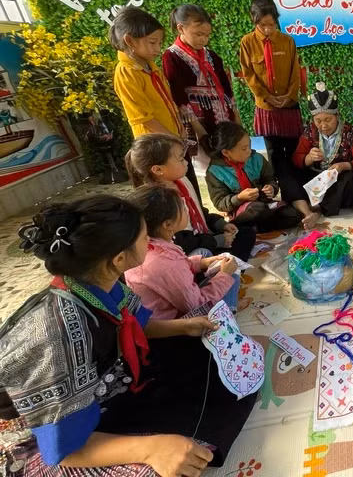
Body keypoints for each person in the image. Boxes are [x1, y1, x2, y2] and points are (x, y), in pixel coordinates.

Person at [0, 196, 255, 476]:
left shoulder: (99, 282)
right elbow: (63, 448)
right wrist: (150, 449)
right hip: (49, 432)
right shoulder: (57, 333)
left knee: (218, 364)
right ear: (120, 258)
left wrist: (185, 327)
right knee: (156, 467)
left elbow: (134, 324)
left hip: (101, 387)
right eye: (145, 238)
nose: (151, 243)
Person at [110, 7, 202, 204]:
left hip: (174, 142)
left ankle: (200, 218)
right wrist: (173, 140)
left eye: (159, 43)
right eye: (152, 42)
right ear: (130, 41)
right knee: (171, 197)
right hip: (158, 149)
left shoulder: (150, 66)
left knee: (189, 186)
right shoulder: (126, 72)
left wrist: (180, 130)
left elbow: (168, 101)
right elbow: (144, 119)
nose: (157, 49)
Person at [125, 133, 256, 261]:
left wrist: (220, 224)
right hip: (186, 251)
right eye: (181, 159)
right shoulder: (159, 200)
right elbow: (179, 242)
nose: (186, 162)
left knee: (245, 233)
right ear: (158, 170)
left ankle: (227, 264)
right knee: (209, 255)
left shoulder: (182, 181)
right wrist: (216, 241)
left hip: (202, 237)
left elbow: (198, 211)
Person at [126, 185, 241, 318]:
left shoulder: (149, 243)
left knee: (204, 254)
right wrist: (224, 275)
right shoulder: (166, 263)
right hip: (175, 322)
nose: (187, 212)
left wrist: (202, 263)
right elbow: (196, 306)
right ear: (168, 224)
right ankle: (227, 316)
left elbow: (177, 264)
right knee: (231, 276)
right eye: (184, 209)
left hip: (165, 302)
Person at [285, 84, 353, 225]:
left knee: (351, 179)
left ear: (337, 116)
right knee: (287, 173)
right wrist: (308, 158)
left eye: (328, 120)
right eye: (318, 121)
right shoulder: (310, 131)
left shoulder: (349, 131)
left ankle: (316, 209)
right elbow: (296, 158)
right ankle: (309, 211)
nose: (323, 125)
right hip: (315, 179)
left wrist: (343, 166)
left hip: (337, 182)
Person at [162, 4, 240, 156]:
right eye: (198, 34)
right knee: (208, 161)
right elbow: (178, 95)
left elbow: (226, 88)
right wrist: (200, 132)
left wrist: (236, 118)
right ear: (181, 28)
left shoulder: (211, 55)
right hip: (198, 122)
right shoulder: (172, 56)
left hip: (224, 118)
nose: (203, 39)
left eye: (207, 35)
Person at [239, 0, 302, 173]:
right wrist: (266, 96)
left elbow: (295, 71)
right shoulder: (247, 42)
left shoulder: (287, 41)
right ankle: (279, 183)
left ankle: (298, 182)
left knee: (294, 149)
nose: (267, 29)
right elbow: (248, 74)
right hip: (266, 106)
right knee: (274, 152)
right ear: (254, 20)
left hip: (288, 104)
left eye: (272, 24)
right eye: (263, 25)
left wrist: (289, 96)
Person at [206, 121, 303, 232]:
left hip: (264, 204)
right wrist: (239, 198)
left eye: (249, 145)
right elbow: (220, 203)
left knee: (293, 215)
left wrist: (271, 188)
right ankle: (248, 227)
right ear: (226, 153)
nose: (249, 151)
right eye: (244, 148)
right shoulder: (215, 172)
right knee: (257, 209)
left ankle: (256, 228)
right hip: (243, 211)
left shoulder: (256, 158)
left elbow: (269, 179)